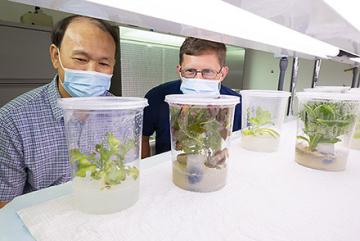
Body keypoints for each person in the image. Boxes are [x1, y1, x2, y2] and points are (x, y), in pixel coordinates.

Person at [0, 15, 118, 208]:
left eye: (103, 63)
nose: (91, 71)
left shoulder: (119, 113)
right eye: (81, 59)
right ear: (56, 56)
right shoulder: (13, 121)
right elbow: (5, 205)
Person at [142, 37, 241, 158]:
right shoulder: (157, 97)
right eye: (190, 71)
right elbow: (142, 137)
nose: (198, 78)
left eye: (208, 71)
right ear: (179, 70)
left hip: (215, 167)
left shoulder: (235, 104)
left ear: (223, 73)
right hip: (170, 169)